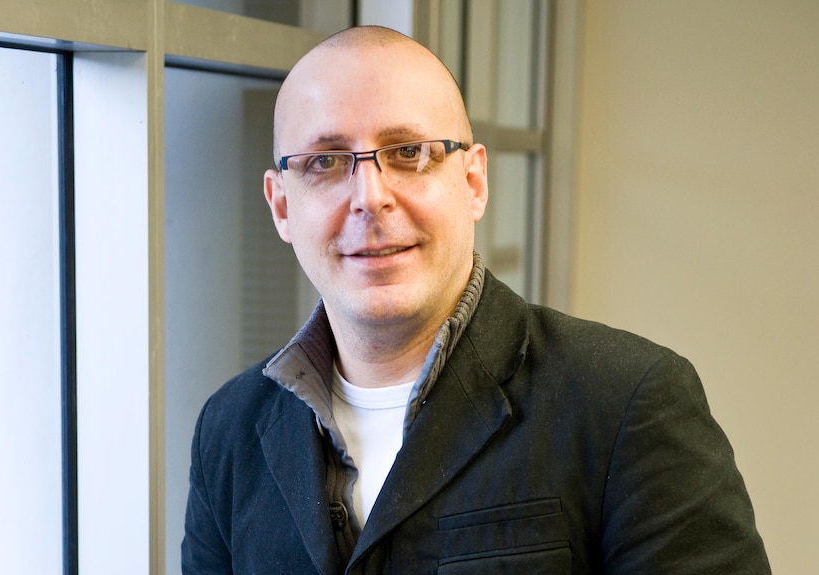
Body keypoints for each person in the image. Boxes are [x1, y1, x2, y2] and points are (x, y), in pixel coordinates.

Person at [181, 25, 770, 574]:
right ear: (282, 204)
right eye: (326, 162)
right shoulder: (228, 431)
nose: (370, 198)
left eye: (409, 153)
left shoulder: (625, 402)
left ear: (473, 182)